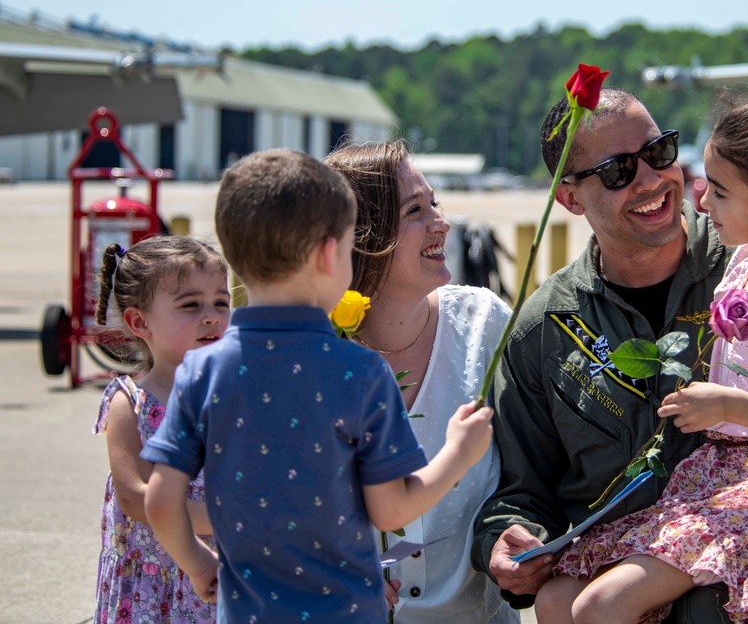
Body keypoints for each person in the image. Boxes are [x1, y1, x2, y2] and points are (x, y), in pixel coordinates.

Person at [471, 87, 748, 623]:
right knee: (557, 604)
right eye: (618, 171)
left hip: (731, 576)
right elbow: (520, 488)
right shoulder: (545, 329)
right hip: (617, 574)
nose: (652, 180)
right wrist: (507, 542)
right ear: (569, 198)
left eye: (659, 152)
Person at [141, 149, 495, 623]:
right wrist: (459, 453)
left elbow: (161, 501)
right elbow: (391, 510)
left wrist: (198, 563)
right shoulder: (360, 372)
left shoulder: (200, 371)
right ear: (332, 254)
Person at [325, 140, 519, 623]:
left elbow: (531, 472)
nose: (442, 223)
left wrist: (514, 533)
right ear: (359, 236)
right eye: (416, 210)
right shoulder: (311, 359)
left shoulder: (484, 323)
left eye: (436, 203)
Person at [91, 235, 230, 623]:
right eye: (190, 305)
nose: (211, 315)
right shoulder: (131, 401)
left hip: (226, 574)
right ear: (139, 321)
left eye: (221, 301)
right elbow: (135, 498)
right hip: (153, 589)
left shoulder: (235, 394)